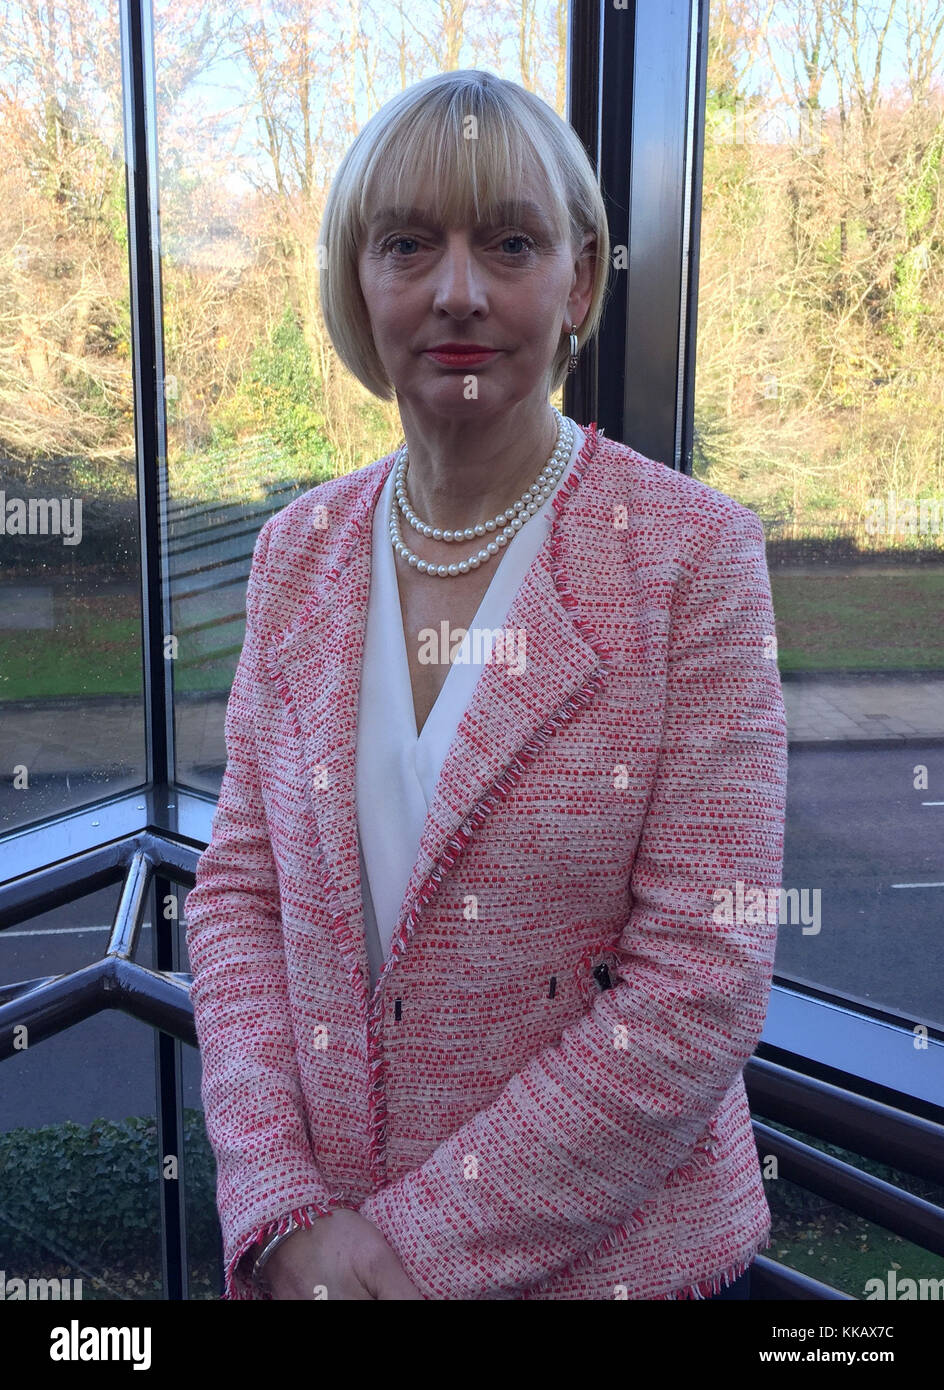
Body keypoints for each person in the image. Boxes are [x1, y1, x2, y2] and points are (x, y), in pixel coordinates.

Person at [184, 67, 789, 1301]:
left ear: (575, 279)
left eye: (507, 241)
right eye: (408, 243)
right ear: (360, 283)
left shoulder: (689, 556)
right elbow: (238, 895)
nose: (455, 288)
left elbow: (702, 979)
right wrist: (279, 1205)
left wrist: (404, 1254)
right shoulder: (296, 553)